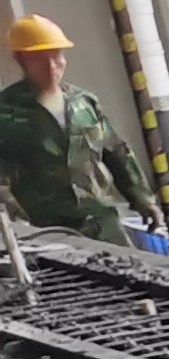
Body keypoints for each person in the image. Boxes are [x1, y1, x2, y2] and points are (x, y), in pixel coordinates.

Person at [0, 14, 152, 238]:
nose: (51, 67)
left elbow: (116, 151)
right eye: (39, 59)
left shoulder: (84, 103)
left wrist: (142, 198)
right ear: (21, 61)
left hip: (101, 219)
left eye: (56, 56)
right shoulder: (6, 111)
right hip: (47, 227)